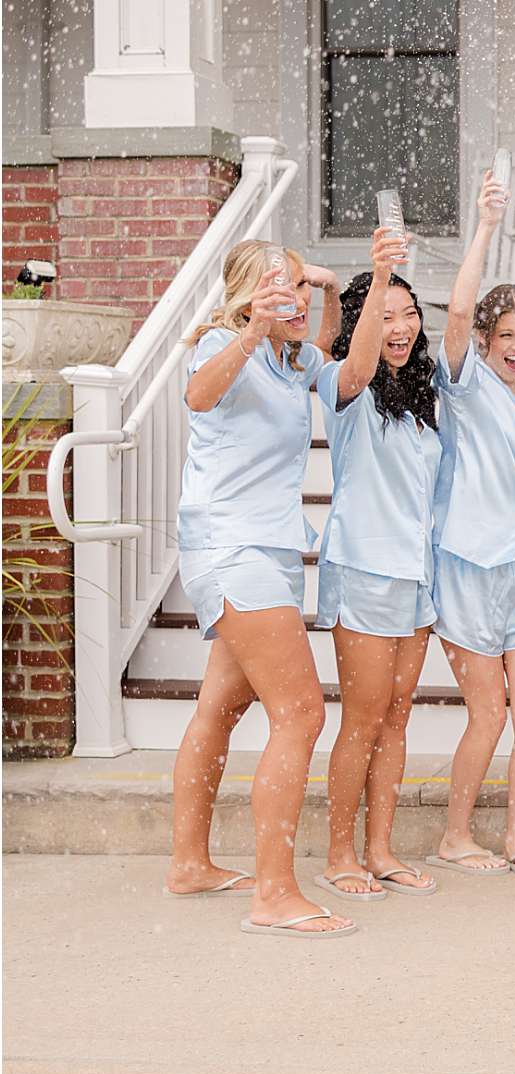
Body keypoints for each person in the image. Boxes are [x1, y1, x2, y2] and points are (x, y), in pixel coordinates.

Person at [167, 235, 353, 938]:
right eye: (282, 287)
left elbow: (329, 349)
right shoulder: (226, 343)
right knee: (302, 714)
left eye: (298, 287)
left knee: (219, 708)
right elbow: (198, 395)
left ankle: (189, 864)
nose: (295, 299)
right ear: (248, 294)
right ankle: (274, 892)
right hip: (230, 544)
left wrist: (328, 289)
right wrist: (248, 329)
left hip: (270, 548)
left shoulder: (293, 356)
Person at [430, 167, 515, 878]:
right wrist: (484, 227)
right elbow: (452, 314)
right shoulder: (468, 384)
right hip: (469, 569)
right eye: (505, 333)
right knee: (490, 714)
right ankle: (455, 834)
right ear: (484, 339)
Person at [315, 247, 440, 903]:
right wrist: (381, 272)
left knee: (396, 718)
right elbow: (357, 362)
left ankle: (380, 848)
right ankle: (339, 853)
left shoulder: (422, 396)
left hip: (416, 577)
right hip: (365, 570)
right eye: (385, 314)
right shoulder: (348, 389)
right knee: (361, 721)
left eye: (409, 313)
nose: (401, 326)